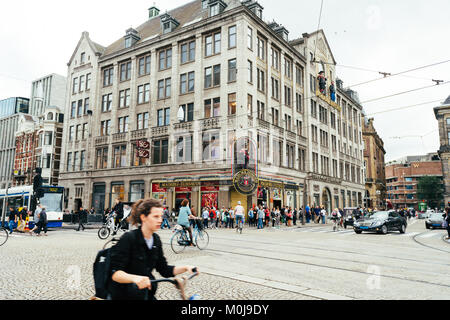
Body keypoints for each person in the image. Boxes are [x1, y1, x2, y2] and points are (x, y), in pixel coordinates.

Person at [108, 198, 197, 300]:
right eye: (155, 216)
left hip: (146, 294)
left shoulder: (156, 240)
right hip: (124, 295)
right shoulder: (129, 238)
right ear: (143, 217)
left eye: (161, 216)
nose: (160, 220)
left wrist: (186, 268)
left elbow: (164, 269)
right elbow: (115, 273)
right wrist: (135, 279)